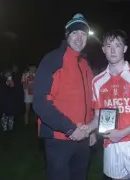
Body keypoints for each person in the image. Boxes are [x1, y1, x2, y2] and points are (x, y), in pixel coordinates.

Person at [84, 29, 130, 180]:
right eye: (108, 46)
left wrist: (122, 133)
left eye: (117, 45)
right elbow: (98, 116)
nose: (113, 50)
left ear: (124, 49)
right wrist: (88, 129)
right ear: (103, 49)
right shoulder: (97, 81)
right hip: (111, 144)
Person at [32, 13, 95, 180]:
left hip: (83, 137)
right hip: (59, 138)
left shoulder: (86, 64)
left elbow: (89, 101)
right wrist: (70, 128)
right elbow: (40, 102)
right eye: (75, 33)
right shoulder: (53, 60)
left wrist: (91, 130)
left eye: (83, 34)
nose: (79, 37)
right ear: (67, 35)